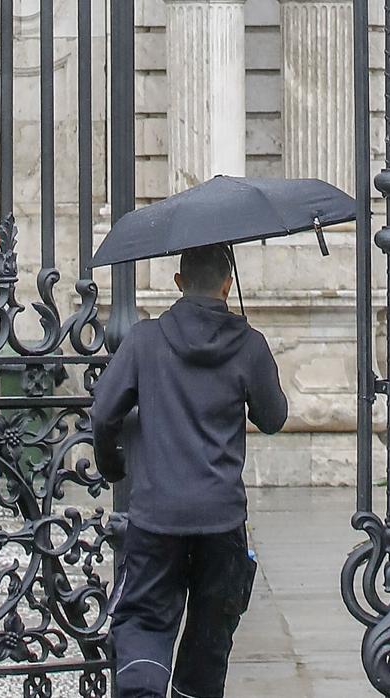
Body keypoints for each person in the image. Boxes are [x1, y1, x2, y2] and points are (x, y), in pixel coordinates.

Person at [91, 244, 289, 698]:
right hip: (221, 518)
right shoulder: (249, 344)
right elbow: (274, 418)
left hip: (158, 513)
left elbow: (104, 411)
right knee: (210, 631)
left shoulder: (144, 340)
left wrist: (111, 464)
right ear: (227, 284)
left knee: (144, 619)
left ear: (178, 284)